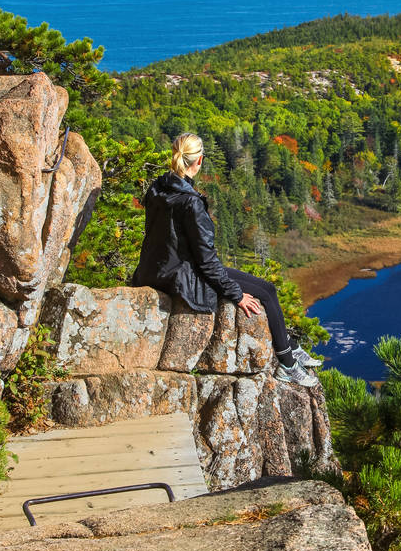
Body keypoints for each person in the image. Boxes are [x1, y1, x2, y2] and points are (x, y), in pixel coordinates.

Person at [132, 133, 320, 387]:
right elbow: (207, 262)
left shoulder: (158, 188)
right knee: (266, 291)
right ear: (199, 160)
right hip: (183, 275)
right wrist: (236, 294)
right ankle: (286, 363)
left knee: (262, 289)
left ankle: (289, 346)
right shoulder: (191, 202)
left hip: (154, 271)